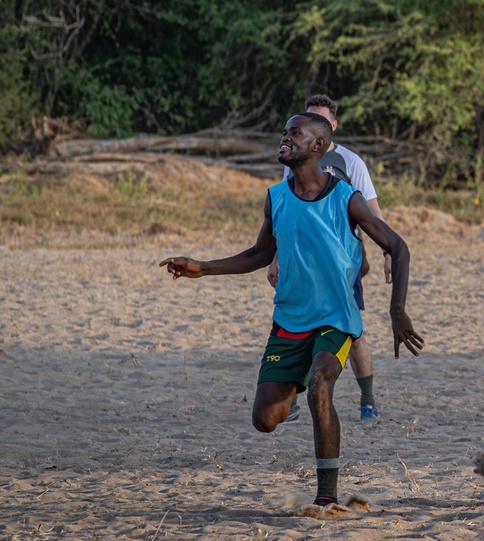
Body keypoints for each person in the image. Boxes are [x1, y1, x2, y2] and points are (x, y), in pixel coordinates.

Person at [160, 112, 423, 507]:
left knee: (321, 386)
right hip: (289, 321)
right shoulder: (276, 197)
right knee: (265, 419)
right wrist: (203, 268)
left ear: (317, 146)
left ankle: (326, 499)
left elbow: (397, 247)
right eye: (284, 132)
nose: (285, 138)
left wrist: (396, 311)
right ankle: (296, 385)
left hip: (336, 317)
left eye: (294, 134)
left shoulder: (345, 198)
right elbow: (260, 253)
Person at [269, 94, 390, 422]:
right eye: (303, 119)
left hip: (341, 264)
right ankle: (293, 393)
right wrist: (276, 257)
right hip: (302, 261)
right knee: (299, 323)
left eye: (315, 120)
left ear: (330, 128)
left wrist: (387, 250)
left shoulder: (351, 163)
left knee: (354, 332)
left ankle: (367, 398)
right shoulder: (294, 162)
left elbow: (374, 213)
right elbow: (285, 211)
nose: (303, 128)